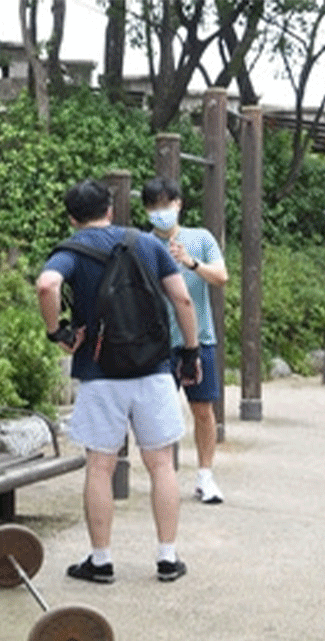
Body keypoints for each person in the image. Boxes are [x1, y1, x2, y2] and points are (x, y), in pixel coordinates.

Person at [36, 179, 201, 583]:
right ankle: (167, 558)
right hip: (153, 367)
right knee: (162, 464)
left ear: (72, 217)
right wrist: (191, 351)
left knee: (100, 467)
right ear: (110, 209)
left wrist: (56, 331)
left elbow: (47, 285)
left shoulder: (70, 252)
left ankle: (101, 560)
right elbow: (182, 299)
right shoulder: (148, 244)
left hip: (99, 373)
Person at [141, 177, 229, 503]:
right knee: (160, 413)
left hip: (200, 338)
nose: (160, 212)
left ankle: (205, 475)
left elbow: (221, 277)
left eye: (165, 204)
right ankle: (164, 477)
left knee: (203, 409)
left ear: (178, 204)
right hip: (158, 343)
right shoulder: (143, 244)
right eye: (153, 206)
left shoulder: (199, 238)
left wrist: (190, 262)